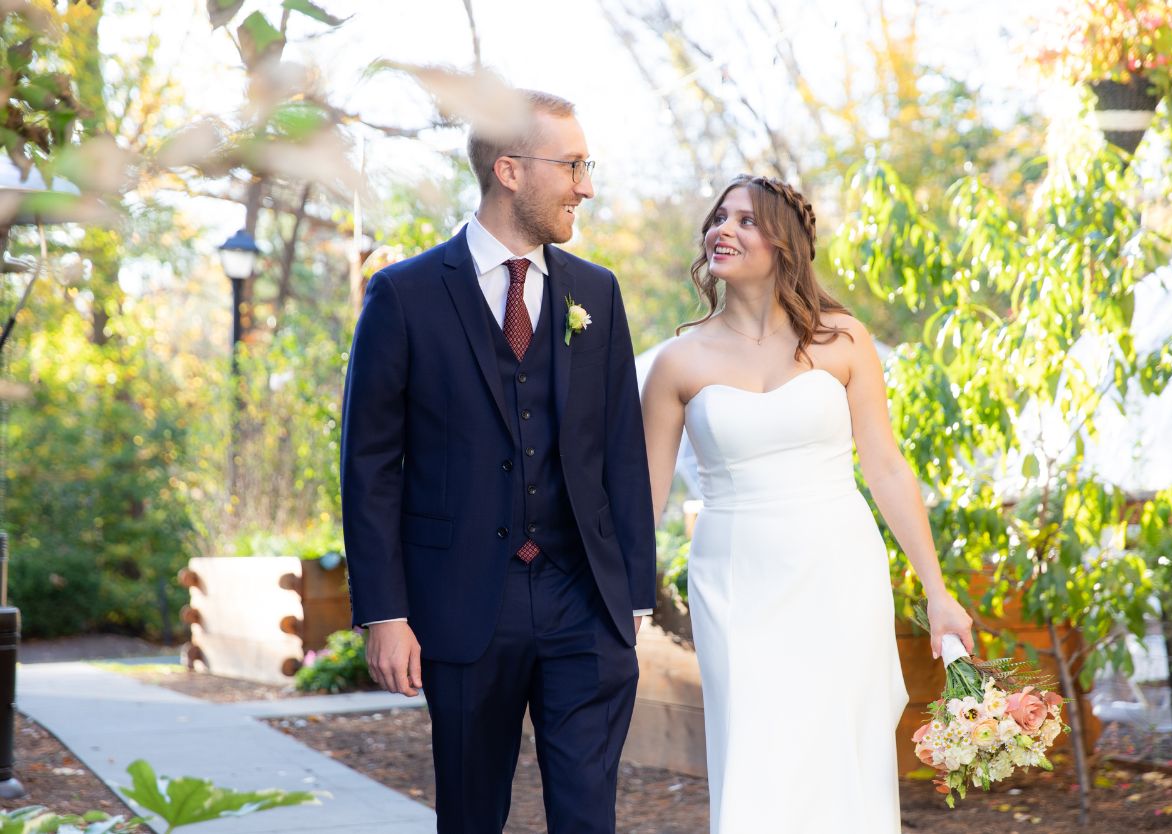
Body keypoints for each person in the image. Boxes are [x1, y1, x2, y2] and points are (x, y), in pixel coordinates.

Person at [340, 89, 656, 834]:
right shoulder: (404, 296)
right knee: (472, 812)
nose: (587, 184)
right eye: (573, 164)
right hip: (460, 603)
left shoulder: (597, 295)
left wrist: (631, 600)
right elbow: (370, 465)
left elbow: (620, 452)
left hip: (584, 601)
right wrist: (384, 611)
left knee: (588, 815)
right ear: (510, 170)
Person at [640, 174, 975, 833]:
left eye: (745, 220)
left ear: (785, 245)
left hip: (839, 567)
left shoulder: (843, 339)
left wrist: (937, 590)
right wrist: (625, 603)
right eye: (718, 218)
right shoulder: (677, 362)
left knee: (842, 750)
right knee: (755, 752)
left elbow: (884, 466)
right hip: (735, 579)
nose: (723, 230)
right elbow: (645, 499)